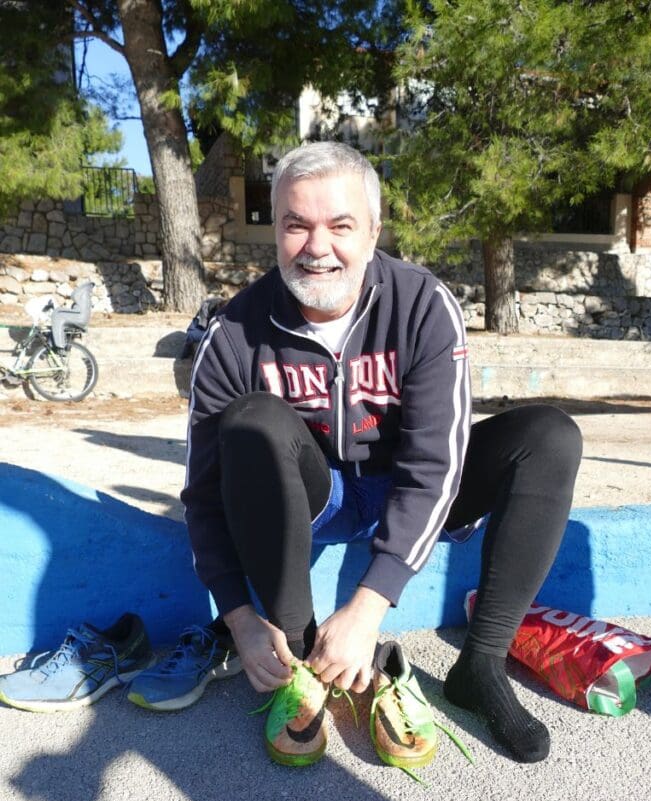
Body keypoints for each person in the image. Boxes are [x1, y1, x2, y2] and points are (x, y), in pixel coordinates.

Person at [131, 141, 582, 766]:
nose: (317, 247)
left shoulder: (423, 304)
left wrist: (369, 608)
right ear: (276, 230)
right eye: (296, 225)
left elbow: (435, 465)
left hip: (406, 493)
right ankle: (301, 657)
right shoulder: (234, 332)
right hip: (313, 498)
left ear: (372, 232)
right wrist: (239, 617)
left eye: (340, 225)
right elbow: (205, 495)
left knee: (549, 437)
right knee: (253, 420)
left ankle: (480, 666)